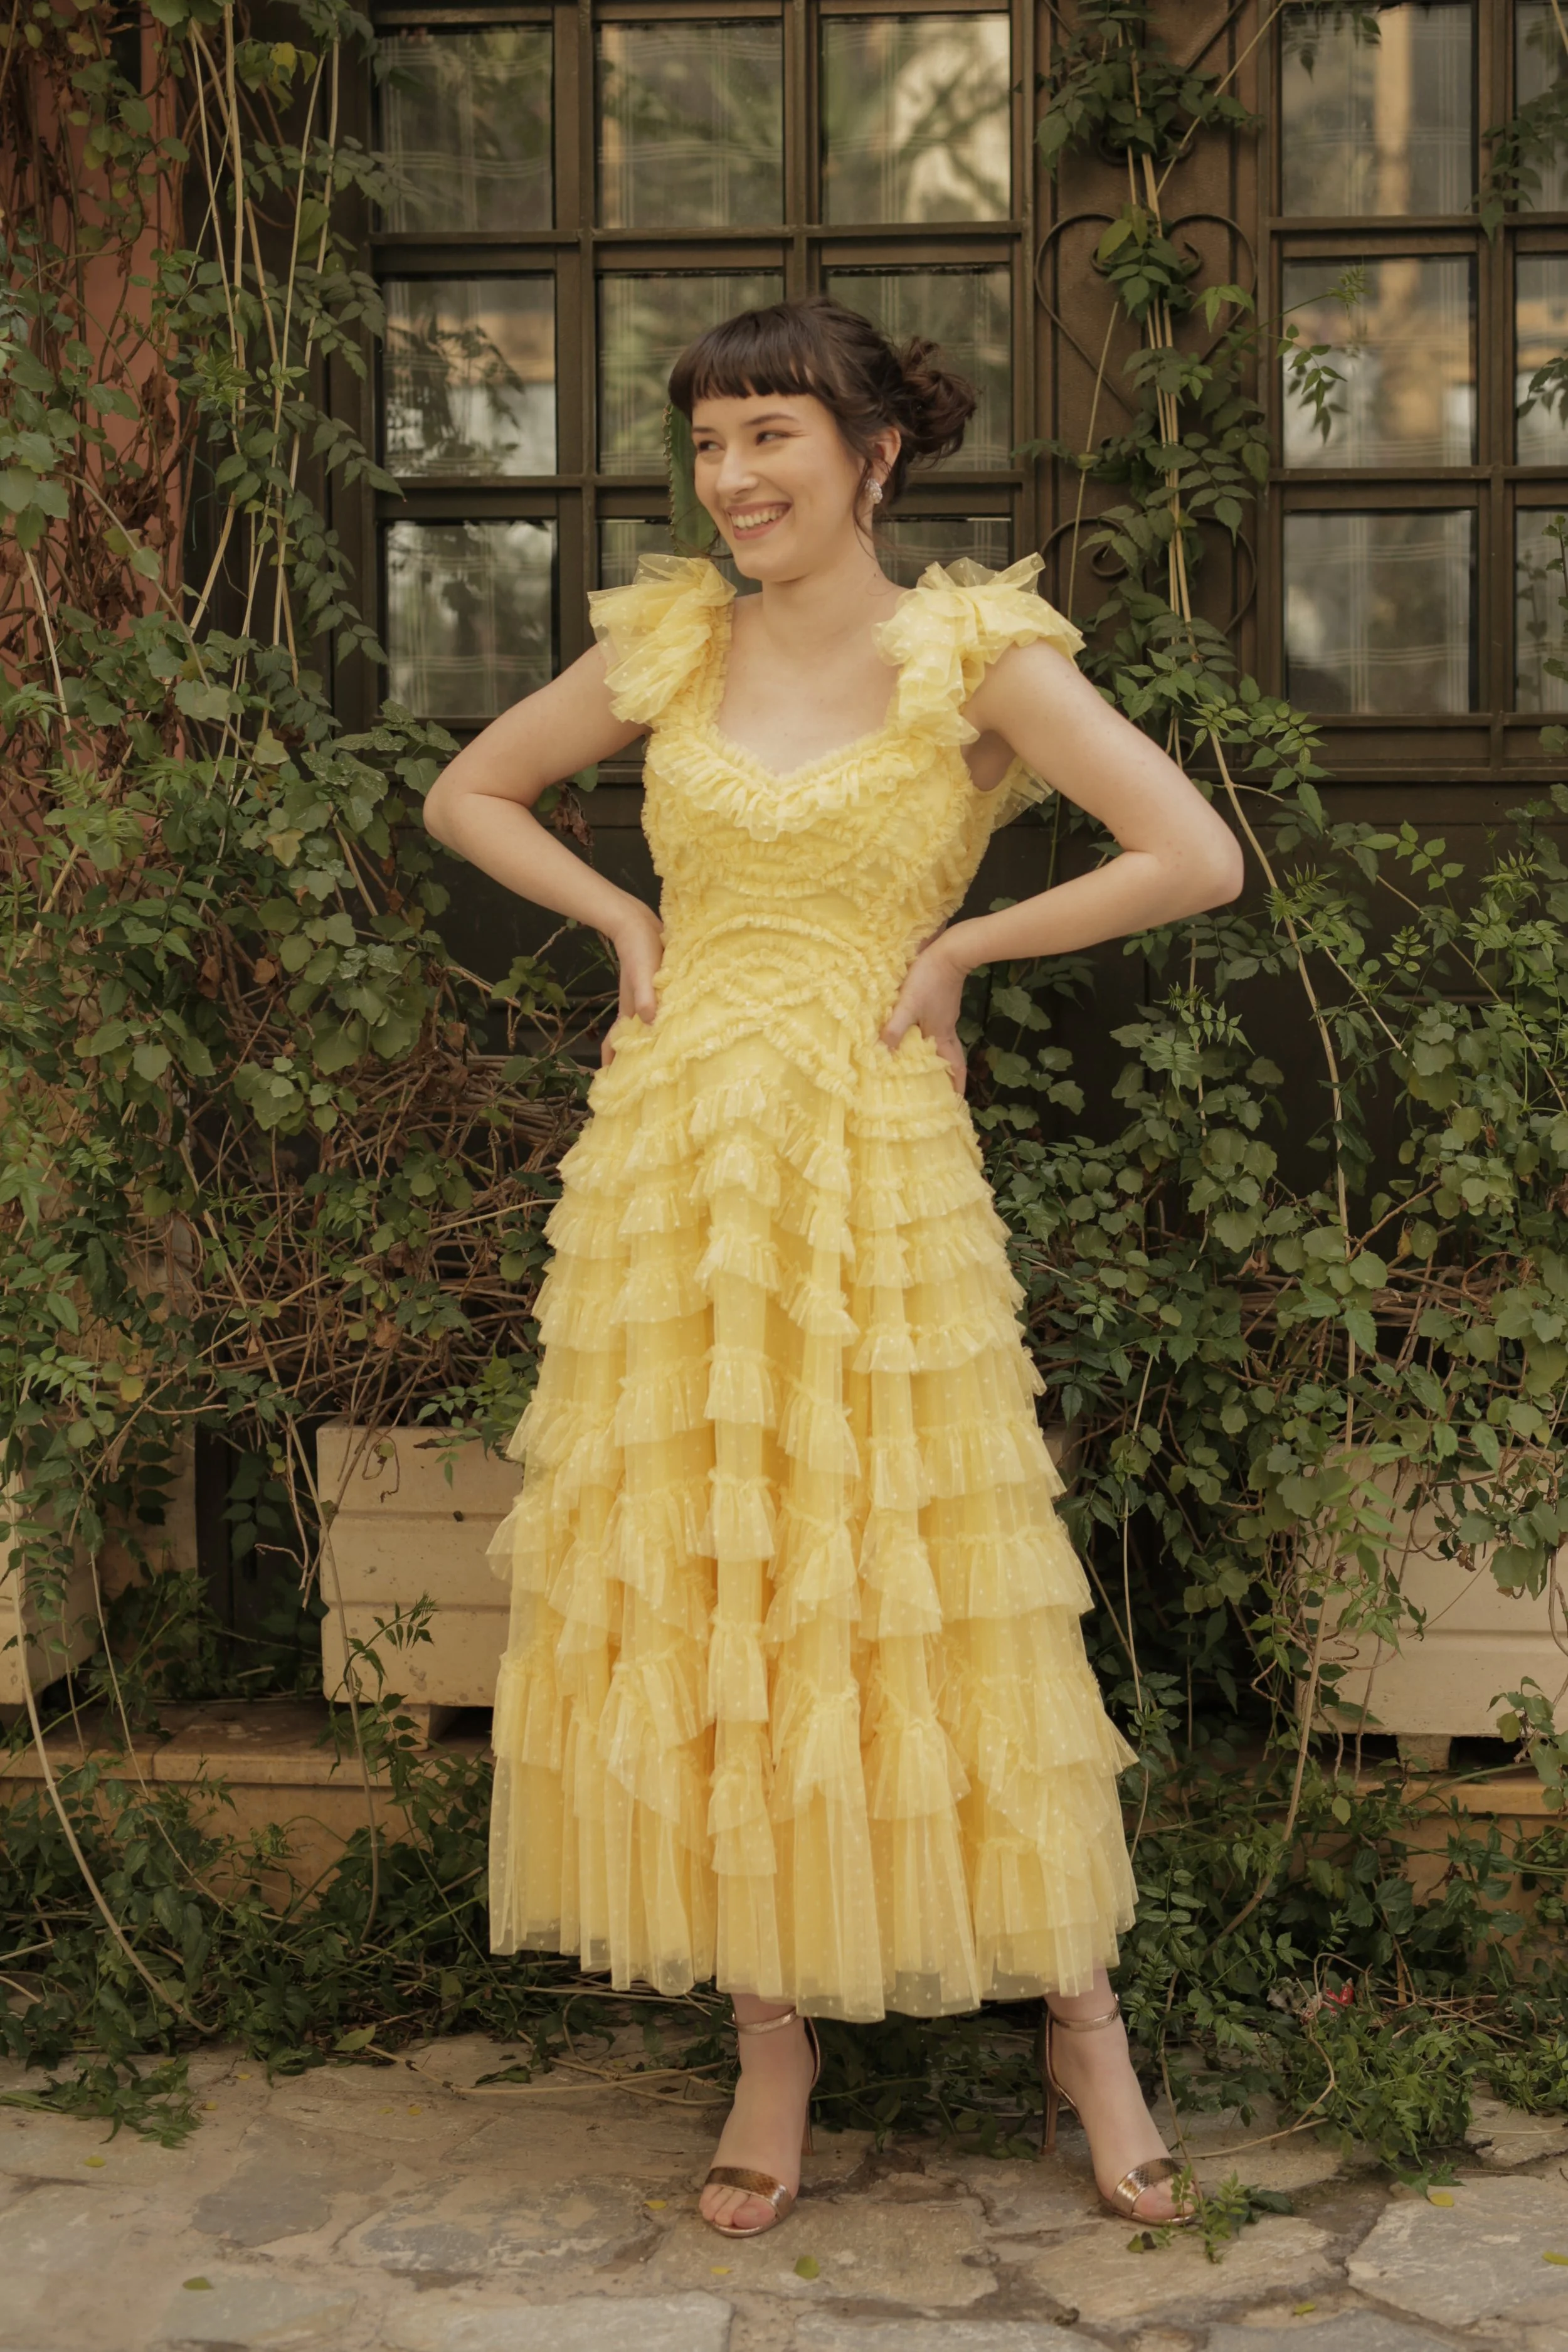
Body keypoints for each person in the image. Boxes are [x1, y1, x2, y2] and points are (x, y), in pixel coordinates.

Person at [423, 294, 1244, 2240]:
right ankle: (769, 2043)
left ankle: (1084, 2026)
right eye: (710, 442)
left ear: (871, 455)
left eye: (769, 436)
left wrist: (959, 951)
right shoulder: (672, 643)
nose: (732, 477)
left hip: (870, 1159)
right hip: (677, 1160)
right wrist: (626, 920)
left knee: (927, 1579)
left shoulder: (972, 654)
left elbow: (1189, 851)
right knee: (719, 1578)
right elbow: (466, 790)